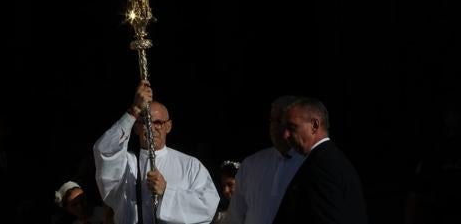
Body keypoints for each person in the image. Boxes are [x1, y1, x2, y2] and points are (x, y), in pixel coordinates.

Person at [93, 80, 219, 224]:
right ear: (135, 127)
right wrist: (134, 110)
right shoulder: (125, 165)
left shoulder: (190, 165)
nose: (151, 127)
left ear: (168, 126)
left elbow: (208, 206)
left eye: (158, 122)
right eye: (145, 121)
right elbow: (104, 150)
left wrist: (167, 191)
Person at [272, 97, 368, 224]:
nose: (285, 135)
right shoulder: (330, 160)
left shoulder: (321, 167)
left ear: (315, 125)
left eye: (292, 127)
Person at [221, 95, 304, 224]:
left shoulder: (309, 163)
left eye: (280, 120)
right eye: (272, 120)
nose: (275, 127)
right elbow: (235, 216)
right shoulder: (251, 164)